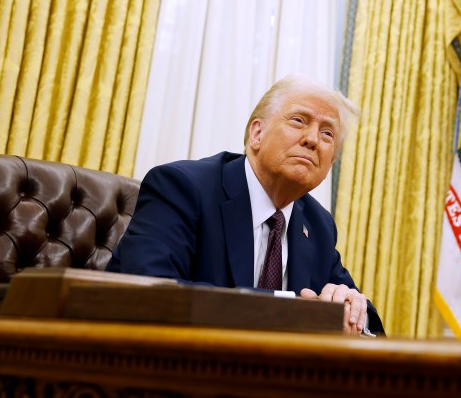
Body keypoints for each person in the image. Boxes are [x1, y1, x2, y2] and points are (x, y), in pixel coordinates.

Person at [108, 74, 383, 336]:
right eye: (299, 120)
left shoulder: (317, 224)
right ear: (257, 134)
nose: (313, 140)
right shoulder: (182, 188)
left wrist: (353, 310)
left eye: (327, 135)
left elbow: (372, 326)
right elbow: (149, 292)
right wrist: (293, 311)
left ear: (330, 163)